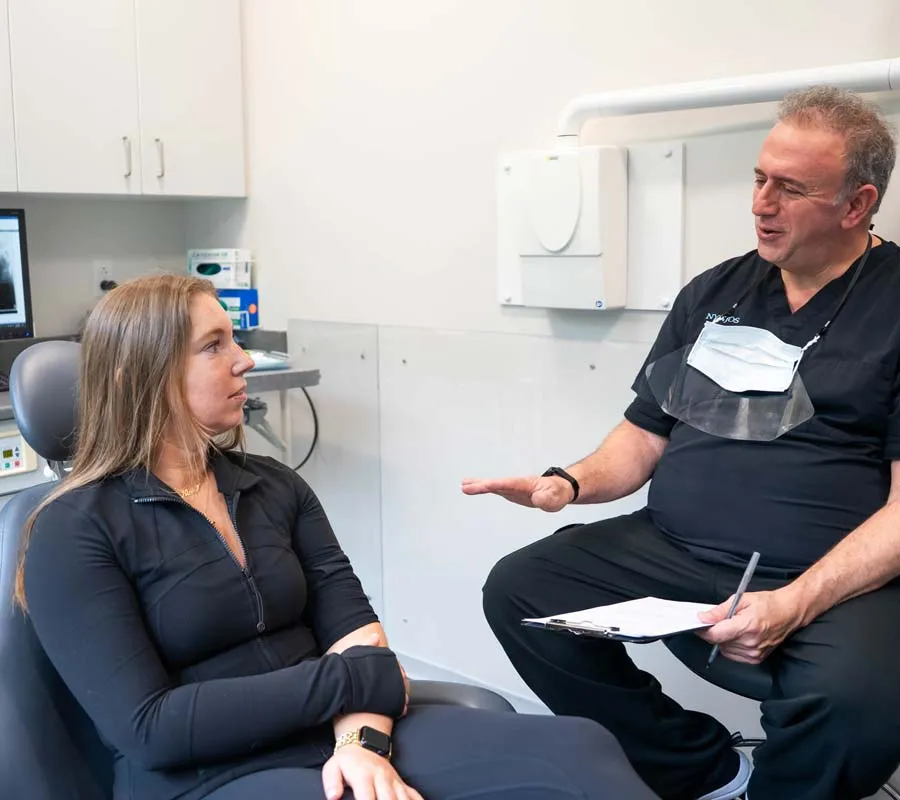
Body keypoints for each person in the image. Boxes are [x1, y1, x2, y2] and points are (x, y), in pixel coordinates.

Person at [16, 273, 658, 800]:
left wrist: (361, 743)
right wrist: (348, 683)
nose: (243, 360)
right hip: (205, 776)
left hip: (340, 733)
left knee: (581, 751)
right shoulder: (72, 530)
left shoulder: (272, 486)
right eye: (213, 346)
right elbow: (150, 728)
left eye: (233, 339)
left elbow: (358, 633)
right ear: (138, 376)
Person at [466, 85, 900, 800]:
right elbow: (643, 438)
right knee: (522, 590)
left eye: (791, 188)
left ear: (856, 204)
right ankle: (706, 772)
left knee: (859, 706)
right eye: (760, 178)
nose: (761, 203)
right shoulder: (715, 293)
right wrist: (566, 483)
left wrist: (794, 601)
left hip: (828, 573)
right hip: (675, 550)